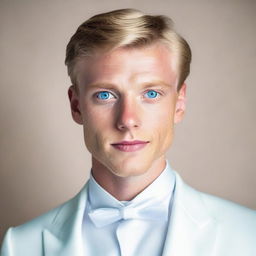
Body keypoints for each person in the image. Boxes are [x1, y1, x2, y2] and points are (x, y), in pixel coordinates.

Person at [1, 8, 256, 256]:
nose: (127, 120)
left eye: (151, 94)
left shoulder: (248, 233)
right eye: (105, 95)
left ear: (179, 103)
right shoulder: (21, 246)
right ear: (76, 106)